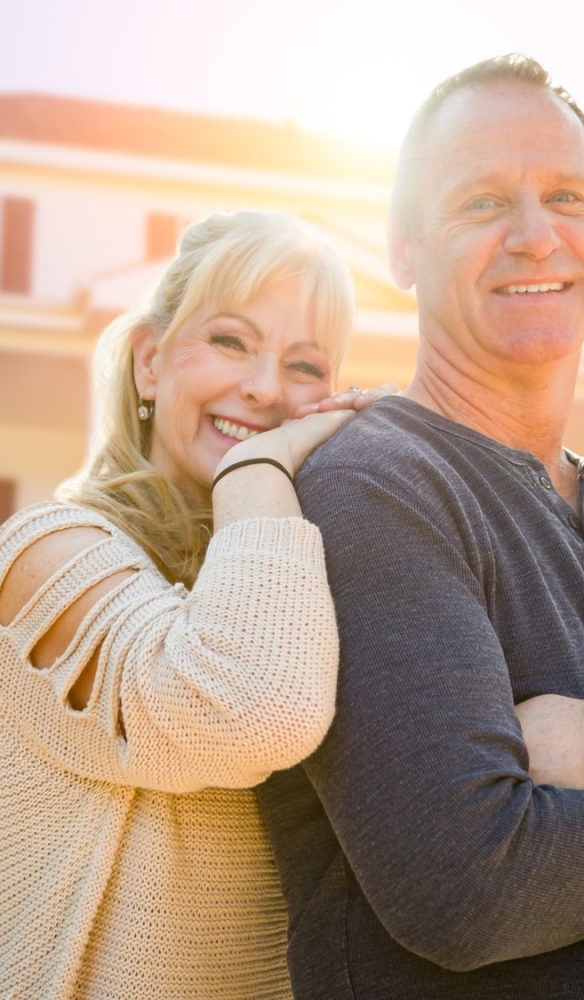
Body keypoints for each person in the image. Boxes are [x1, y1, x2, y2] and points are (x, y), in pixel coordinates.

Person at [0, 210, 392, 999]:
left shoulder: (301, 581)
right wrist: (262, 467)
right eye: (230, 342)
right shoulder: (44, 556)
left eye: (305, 366)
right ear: (150, 363)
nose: (264, 389)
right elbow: (251, 712)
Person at [258, 54, 584, 999]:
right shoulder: (375, 489)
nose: (537, 237)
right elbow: (470, 886)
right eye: (482, 204)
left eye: (567, 194)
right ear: (403, 249)